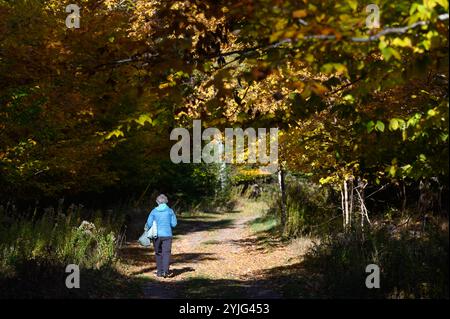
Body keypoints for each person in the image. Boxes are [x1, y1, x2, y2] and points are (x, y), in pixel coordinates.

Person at [146, 194, 177, 278]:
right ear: (166, 201)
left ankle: (159, 272)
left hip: (156, 235)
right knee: (166, 253)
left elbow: (149, 223)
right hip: (167, 235)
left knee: (158, 253)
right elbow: (174, 224)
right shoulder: (170, 211)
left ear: (157, 202)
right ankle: (166, 272)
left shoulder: (154, 211)